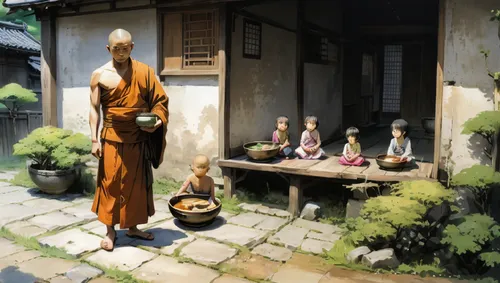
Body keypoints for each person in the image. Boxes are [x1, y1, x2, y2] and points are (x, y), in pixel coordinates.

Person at [89, 29, 169, 252]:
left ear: (132, 47)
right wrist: (94, 139)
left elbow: (160, 102)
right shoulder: (99, 75)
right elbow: (94, 109)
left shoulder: (144, 73)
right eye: (116, 49)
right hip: (112, 137)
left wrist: (158, 122)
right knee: (110, 184)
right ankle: (110, 231)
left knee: (137, 185)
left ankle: (132, 227)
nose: (121, 53)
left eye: (125, 48)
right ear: (108, 49)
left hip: (138, 137)